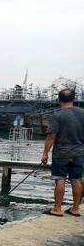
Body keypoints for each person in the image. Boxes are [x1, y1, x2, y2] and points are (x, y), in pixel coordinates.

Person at [41, 88, 84, 217]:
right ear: (73, 99)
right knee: (76, 180)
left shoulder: (57, 115)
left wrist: (45, 153)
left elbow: (52, 136)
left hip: (61, 153)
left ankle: (57, 209)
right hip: (79, 153)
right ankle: (75, 209)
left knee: (60, 179)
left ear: (59, 100)